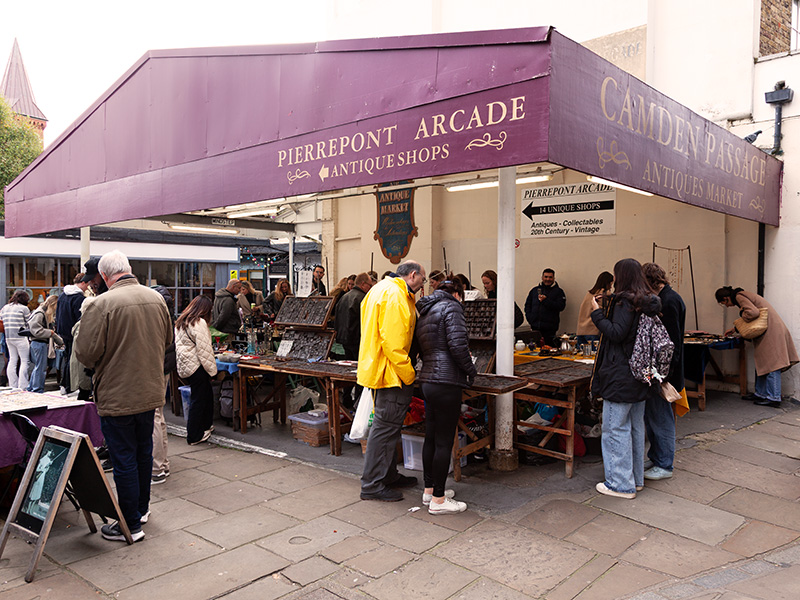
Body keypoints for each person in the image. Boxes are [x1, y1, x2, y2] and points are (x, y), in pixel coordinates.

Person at [75, 250, 173, 542]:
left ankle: (130, 523)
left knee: (124, 460)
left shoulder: (101, 304)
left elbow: (86, 353)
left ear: (104, 276)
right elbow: (167, 340)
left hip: (117, 394)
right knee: (143, 454)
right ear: (128, 269)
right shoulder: (156, 298)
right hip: (151, 389)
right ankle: (140, 510)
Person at [590, 258, 662, 499]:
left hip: (621, 375)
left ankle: (620, 484)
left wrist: (597, 315)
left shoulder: (625, 302)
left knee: (614, 429)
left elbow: (617, 333)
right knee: (634, 426)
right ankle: (636, 479)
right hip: (640, 374)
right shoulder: (646, 302)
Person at [359, 260, 426, 502]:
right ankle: (373, 484)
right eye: (423, 279)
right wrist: (409, 374)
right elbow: (394, 345)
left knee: (387, 429)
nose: (423, 285)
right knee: (385, 429)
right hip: (392, 375)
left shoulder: (379, 289)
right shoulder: (396, 296)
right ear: (413, 275)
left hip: (379, 370)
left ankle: (386, 475)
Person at [415, 278, 476, 515]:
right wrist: (471, 371)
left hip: (428, 379)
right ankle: (439, 501)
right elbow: (458, 346)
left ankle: (429, 490)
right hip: (447, 381)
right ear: (458, 294)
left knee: (431, 437)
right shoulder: (452, 308)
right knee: (443, 441)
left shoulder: (425, 310)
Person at [716, 285, 798, 408]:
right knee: (763, 363)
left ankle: (774, 397)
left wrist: (741, 314)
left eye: (724, 303)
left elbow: (753, 312)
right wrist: (735, 329)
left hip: (772, 331)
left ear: (726, 298)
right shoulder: (742, 295)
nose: (726, 306)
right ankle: (760, 393)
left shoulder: (739, 297)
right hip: (770, 330)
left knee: (772, 364)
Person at [642, 263, 685, 480]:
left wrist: (664, 375)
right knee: (654, 417)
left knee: (661, 417)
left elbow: (671, 342)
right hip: (662, 370)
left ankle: (665, 464)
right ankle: (657, 457)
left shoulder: (668, 301)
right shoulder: (668, 297)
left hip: (664, 371)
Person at [175, 295, 218, 445]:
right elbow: (205, 350)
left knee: (203, 396)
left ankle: (206, 426)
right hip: (197, 366)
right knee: (199, 400)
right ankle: (194, 435)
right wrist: (213, 371)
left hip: (186, 365)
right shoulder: (199, 323)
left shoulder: (182, 321)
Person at [150, 285, 177, 485]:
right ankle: (163, 463)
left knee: (154, 417)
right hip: (164, 368)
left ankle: (157, 467)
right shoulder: (168, 315)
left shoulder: (157, 317)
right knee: (159, 417)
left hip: (156, 369)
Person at [334, 273, 374, 408]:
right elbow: (367, 322)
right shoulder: (363, 298)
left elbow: (337, 319)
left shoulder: (344, 297)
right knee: (359, 373)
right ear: (363, 284)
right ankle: (358, 403)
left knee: (348, 371)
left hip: (345, 340)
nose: (371, 287)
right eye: (369, 285)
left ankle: (346, 399)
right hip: (358, 341)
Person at [56, 273, 89, 393]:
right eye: (87, 284)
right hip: (73, 332)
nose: (87, 288)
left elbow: (58, 314)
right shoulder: (79, 298)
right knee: (72, 359)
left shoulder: (62, 295)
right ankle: (70, 385)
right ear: (83, 282)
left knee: (66, 358)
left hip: (63, 331)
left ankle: (64, 385)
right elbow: (80, 318)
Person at [27, 295, 63, 393]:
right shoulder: (40, 313)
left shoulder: (41, 312)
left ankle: (32, 388)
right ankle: (37, 389)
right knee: (41, 368)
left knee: (38, 367)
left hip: (37, 343)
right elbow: (36, 330)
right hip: (39, 343)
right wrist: (49, 333)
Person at [524, 268, 566, 346]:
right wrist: (530, 318)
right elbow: (527, 306)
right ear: (542, 278)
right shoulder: (534, 291)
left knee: (548, 350)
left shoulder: (559, 292)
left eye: (550, 277)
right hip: (535, 328)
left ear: (554, 278)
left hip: (550, 329)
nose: (548, 279)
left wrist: (546, 301)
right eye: (546, 277)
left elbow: (561, 306)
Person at [0, 290, 32, 390]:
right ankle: (23, 385)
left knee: (12, 360)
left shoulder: (5, 308)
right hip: (21, 337)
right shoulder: (24, 308)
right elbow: (29, 323)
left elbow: (1, 320)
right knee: (24, 361)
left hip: (9, 337)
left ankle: (13, 385)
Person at [577, 271, 614, 347]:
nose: (611, 287)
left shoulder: (589, 294)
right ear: (608, 283)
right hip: (593, 331)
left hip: (581, 331)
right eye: (611, 284)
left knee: (581, 357)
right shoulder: (605, 294)